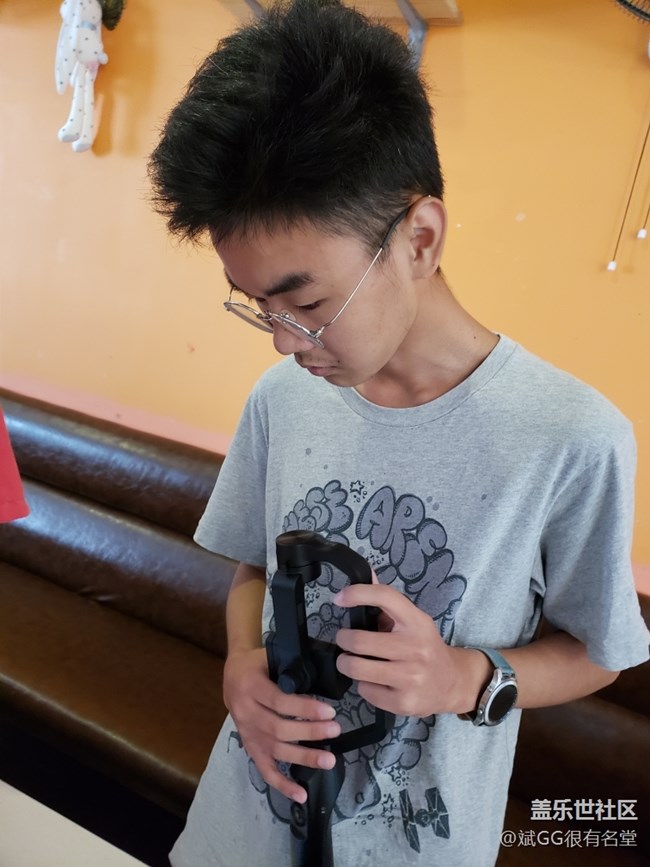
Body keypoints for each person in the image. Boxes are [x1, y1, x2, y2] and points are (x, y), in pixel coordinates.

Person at [148, 1, 649, 864]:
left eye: (307, 302)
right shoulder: (281, 398)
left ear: (419, 238)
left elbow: (599, 651)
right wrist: (239, 665)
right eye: (258, 306)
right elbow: (252, 571)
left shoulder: (571, 437)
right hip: (232, 835)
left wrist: (462, 677)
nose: (283, 341)